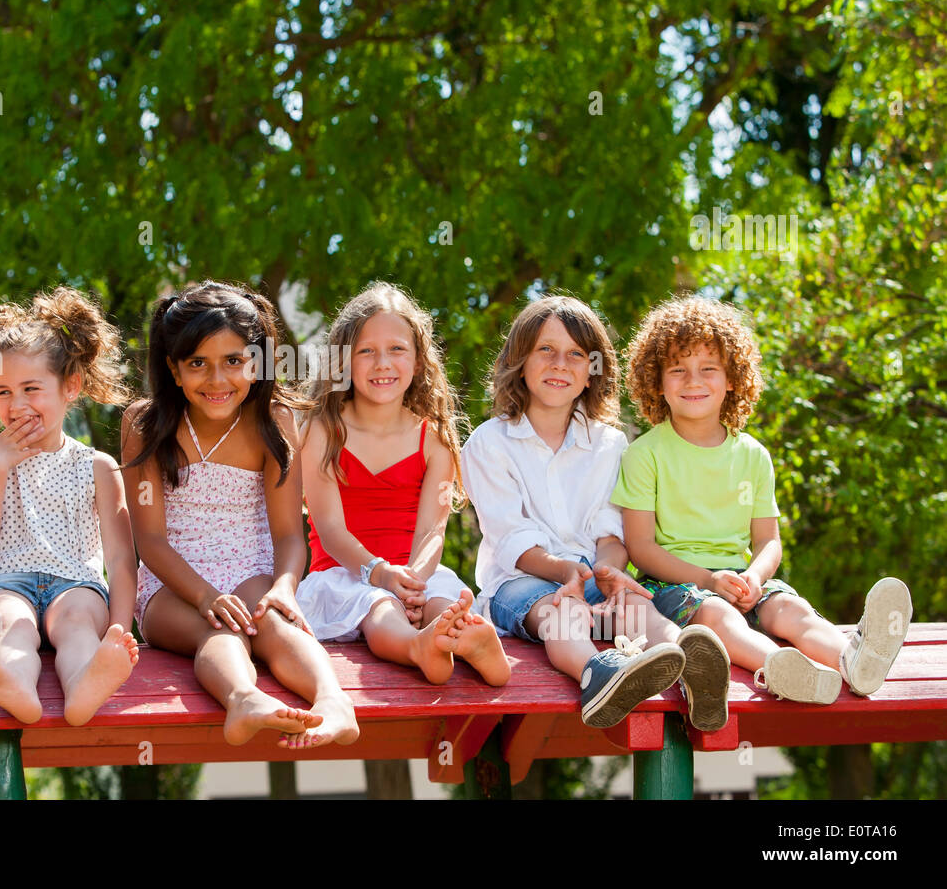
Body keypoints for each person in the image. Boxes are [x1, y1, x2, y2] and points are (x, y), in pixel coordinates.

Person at [613, 295, 912, 704]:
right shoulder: (644, 454)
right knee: (717, 617)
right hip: (676, 586)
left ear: (732, 378)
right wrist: (708, 580)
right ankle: (783, 667)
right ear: (657, 381)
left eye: (708, 369)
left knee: (790, 609)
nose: (693, 381)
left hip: (742, 579)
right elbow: (641, 548)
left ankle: (854, 660)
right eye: (677, 370)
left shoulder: (753, 454)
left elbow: (769, 541)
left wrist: (754, 578)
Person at [463, 295, 728, 728]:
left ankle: (691, 667)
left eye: (575, 354)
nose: (559, 364)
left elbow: (611, 534)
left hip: (591, 575)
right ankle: (597, 674)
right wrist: (569, 574)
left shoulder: (610, 444)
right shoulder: (489, 443)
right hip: (520, 585)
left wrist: (608, 572)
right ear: (519, 361)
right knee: (561, 611)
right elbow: (511, 538)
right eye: (545, 350)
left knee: (634, 606)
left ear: (592, 371)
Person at [122, 282, 359, 749]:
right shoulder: (144, 424)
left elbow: (291, 535)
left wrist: (283, 588)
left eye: (234, 361)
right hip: (172, 582)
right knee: (219, 629)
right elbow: (148, 541)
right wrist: (206, 595)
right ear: (173, 369)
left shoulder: (275, 421)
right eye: (197, 364)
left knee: (270, 622)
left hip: (249, 569)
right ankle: (244, 699)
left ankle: (335, 702)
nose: (217, 380)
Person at [298, 283, 510, 687]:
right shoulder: (322, 431)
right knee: (379, 609)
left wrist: (413, 580)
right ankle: (417, 647)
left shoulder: (434, 438)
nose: (383, 363)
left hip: (415, 571)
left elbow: (433, 529)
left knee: (444, 601)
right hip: (347, 573)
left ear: (418, 360)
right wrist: (382, 575)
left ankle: (474, 642)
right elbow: (329, 529)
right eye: (366, 351)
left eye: (397, 349)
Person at [0, 287, 139, 726]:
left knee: (76, 625)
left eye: (31, 389)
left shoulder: (97, 466)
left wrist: (119, 629)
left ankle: (84, 686)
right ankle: (15, 684)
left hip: (76, 584)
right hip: (2, 582)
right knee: (11, 622)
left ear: (70, 387)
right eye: (3, 392)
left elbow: (119, 558)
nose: (16, 406)